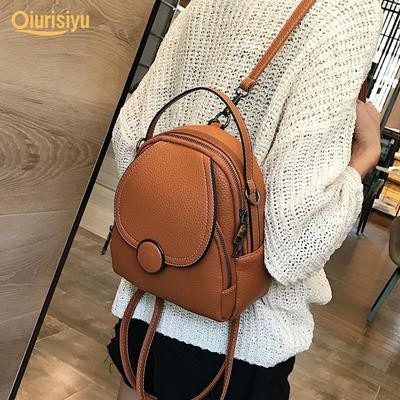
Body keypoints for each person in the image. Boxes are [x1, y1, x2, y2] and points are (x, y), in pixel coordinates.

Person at [107, 0, 383, 398]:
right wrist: (365, 156)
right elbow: (294, 243)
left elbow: (131, 135)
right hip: (237, 339)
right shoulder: (350, 9)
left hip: (148, 290)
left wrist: (178, 220)